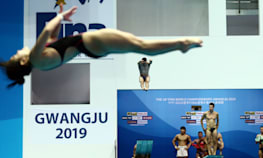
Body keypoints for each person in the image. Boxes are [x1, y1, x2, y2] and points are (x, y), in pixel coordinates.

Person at [0, 4, 203, 87]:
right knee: (140, 45)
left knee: (139, 45)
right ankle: (181, 44)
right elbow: (46, 32)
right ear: (23, 60)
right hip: (92, 42)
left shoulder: (42, 62)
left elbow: (52, 36)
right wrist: (60, 16)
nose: (18, 50)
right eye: (15, 55)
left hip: (92, 47)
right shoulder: (35, 58)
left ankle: (180, 44)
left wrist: (60, 18)